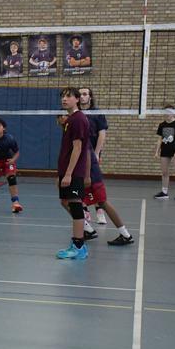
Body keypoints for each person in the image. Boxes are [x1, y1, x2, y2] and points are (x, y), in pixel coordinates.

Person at [56, 87, 91, 260]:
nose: (64, 99)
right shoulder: (69, 119)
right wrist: (61, 173)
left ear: (77, 99)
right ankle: (83, 228)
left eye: (68, 96)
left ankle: (79, 245)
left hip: (74, 171)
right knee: (65, 201)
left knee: (76, 204)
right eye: (63, 96)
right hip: (66, 169)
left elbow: (78, 148)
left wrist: (69, 174)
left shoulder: (78, 119)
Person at [78, 87, 108, 222]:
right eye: (80, 95)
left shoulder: (98, 113)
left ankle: (99, 210)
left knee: (95, 181)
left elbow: (102, 134)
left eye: (85, 94)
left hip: (92, 152)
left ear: (90, 97)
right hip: (78, 153)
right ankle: (84, 210)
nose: (82, 97)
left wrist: (96, 153)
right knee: (80, 181)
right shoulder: (75, 113)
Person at [154, 105, 175, 200]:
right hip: (165, 150)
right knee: (164, 172)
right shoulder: (162, 125)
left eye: (169, 112)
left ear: (173, 113)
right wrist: (156, 152)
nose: (167, 114)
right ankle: (164, 192)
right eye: (165, 112)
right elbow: (160, 139)